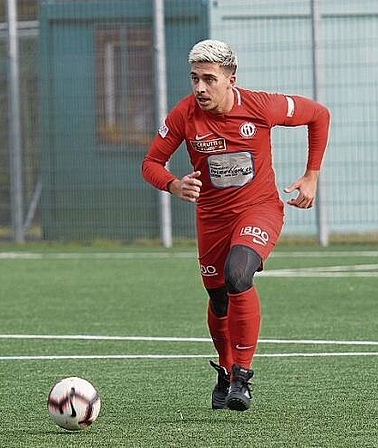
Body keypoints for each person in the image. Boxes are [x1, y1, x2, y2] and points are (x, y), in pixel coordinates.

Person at [141, 40, 330, 411]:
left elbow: (318, 115)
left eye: (209, 79)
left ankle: (242, 377)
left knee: (238, 274)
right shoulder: (183, 114)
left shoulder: (261, 106)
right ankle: (225, 372)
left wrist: (311, 176)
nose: (200, 88)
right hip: (211, 218)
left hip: (259, 210)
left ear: (231, 80)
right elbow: (150, 163)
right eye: (194, 78)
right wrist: (174, 184)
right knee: (218, 298)